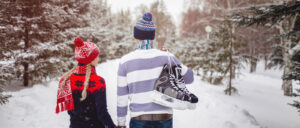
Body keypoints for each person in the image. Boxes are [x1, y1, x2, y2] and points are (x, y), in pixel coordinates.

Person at [116, 12, 194, 128]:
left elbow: (122, 96)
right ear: (152, 36)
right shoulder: (167, 57)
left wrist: (121, 123)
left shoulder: (125, 61)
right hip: (164, 118)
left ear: (136, 37)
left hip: (139, 119)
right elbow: (190, 77)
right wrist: (171, 58)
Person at [56, 37, 116, 128]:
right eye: (96, 55)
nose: (98, 58)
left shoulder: (66, 79)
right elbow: (102, 113)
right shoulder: (98, 81)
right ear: (90, 59)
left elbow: (70, 111)